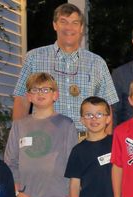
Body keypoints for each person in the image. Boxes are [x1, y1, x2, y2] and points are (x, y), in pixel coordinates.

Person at [5, 72, 77, 197]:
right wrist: (17, 192)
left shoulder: (66, 125)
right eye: (35, 90)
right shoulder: (20, 126)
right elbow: (10, 162)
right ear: (28, 96)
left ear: (55, 95)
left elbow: (73, 164)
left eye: (46, 89)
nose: (40, 93)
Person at [11, 3, 118, 133]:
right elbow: (22, 101)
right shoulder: (34, 58)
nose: (69, 27)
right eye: (63, 22)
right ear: (55, 25)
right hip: (45, 140)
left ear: (81, 28)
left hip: (85, 142)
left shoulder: (97, 63)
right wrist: (17, 138)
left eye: (75, 23)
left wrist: (105, 145)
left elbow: (107, 108)